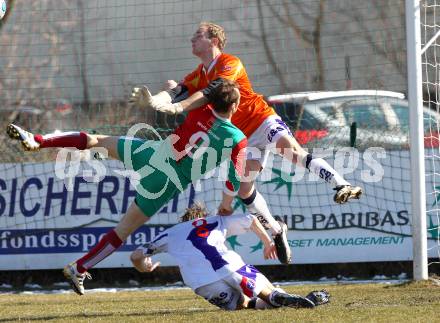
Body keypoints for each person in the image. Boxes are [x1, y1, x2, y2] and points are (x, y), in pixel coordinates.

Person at [130, 21, 362, 264]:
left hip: (262, 121)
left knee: (293, 153)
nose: (192, 39)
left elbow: (207, 92)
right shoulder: (200, 72)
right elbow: (179, 89)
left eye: (198, 35)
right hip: (243, 137)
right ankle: (276, 230)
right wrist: (155, 100)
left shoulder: (230, 63)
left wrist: (176, 106)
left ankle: (341, 185)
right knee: (244, 191)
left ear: (214, 41)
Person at [6, 78, 249, 295]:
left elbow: (187, 97)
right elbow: (233, 179)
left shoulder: (200, 111)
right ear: (235, 107)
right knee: (122, 230)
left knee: (95, 140)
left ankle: (38, 140)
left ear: (211, 101)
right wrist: (225, 207)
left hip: (152, 154)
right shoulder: (237, 139)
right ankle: (79, 268)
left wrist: (173, 90)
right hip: (165, 182)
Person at [130, 202, 330, 311]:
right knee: (267, 292)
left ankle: (279, 300)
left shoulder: (170, 232)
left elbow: (135, 256)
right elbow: (251, 219)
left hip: (201, 282)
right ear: (202, 216)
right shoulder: (214, 220)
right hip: (228, 266)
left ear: (184, 220)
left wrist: (144, 267)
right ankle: (277, 296)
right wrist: (268, 242)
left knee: (244, 304)